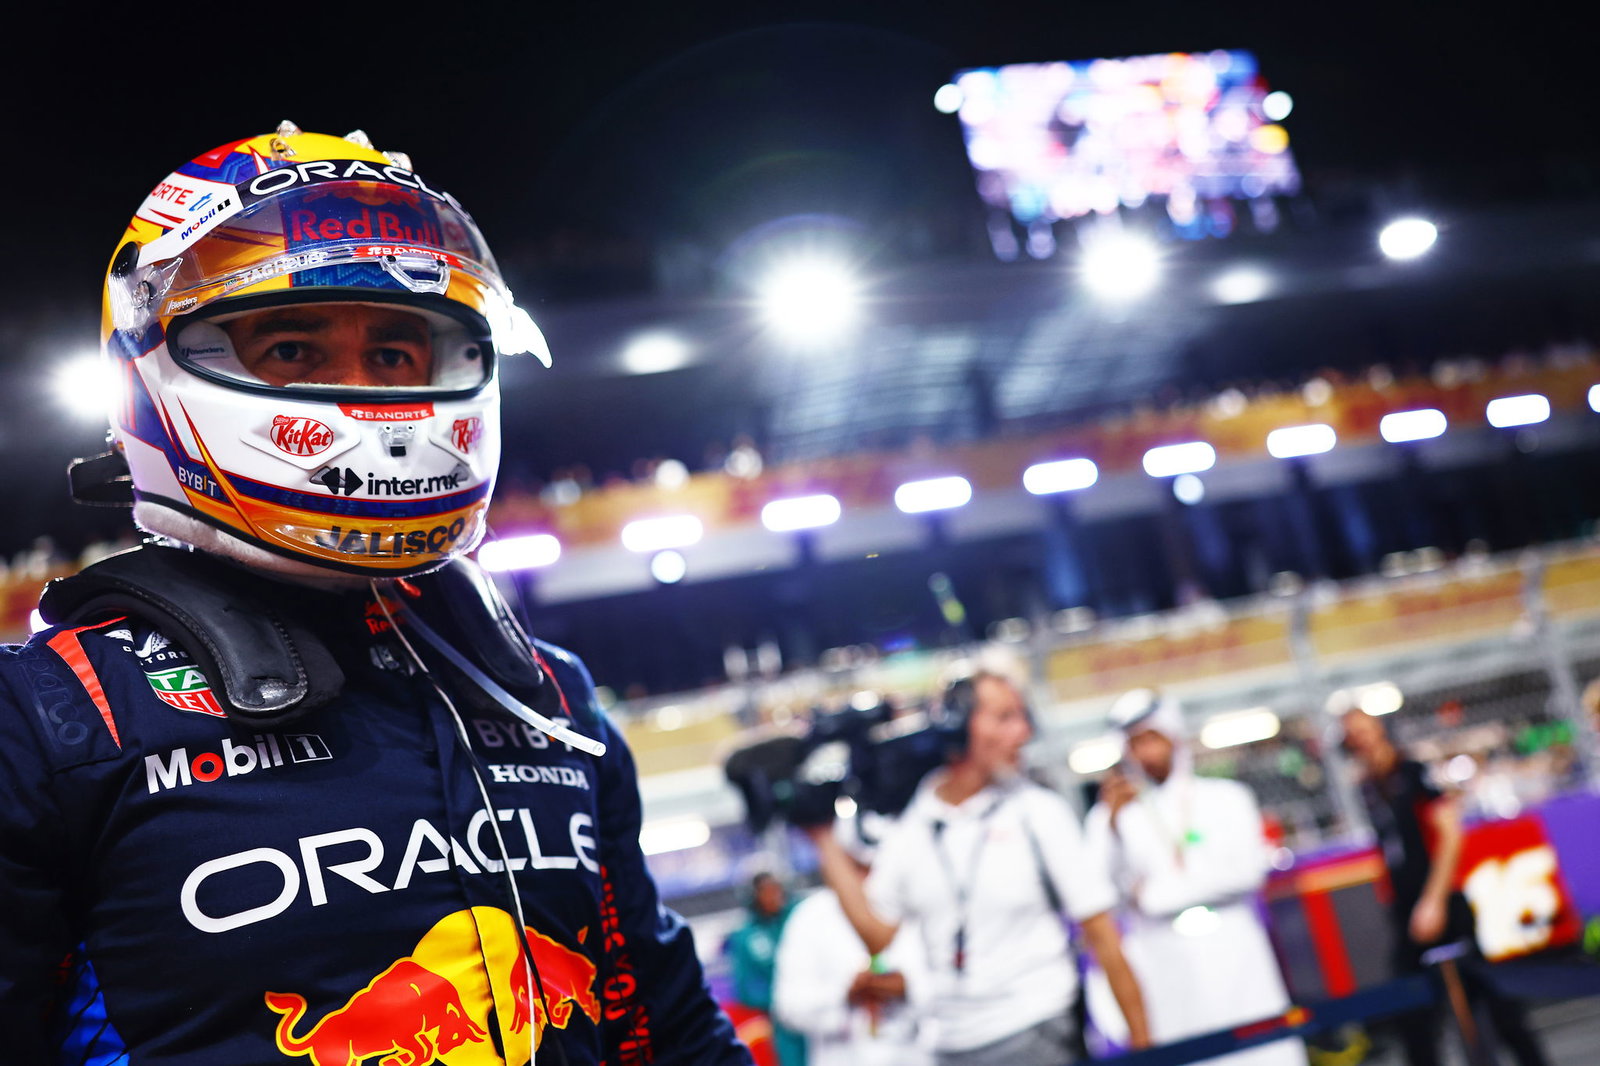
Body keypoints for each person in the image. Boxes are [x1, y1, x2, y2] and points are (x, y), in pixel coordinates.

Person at [0, 123, 752, 1066]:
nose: (363, 391)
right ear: (150, 370)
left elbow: (670, 1031)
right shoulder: (43, 721)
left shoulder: (550, 696)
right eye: (292, 347)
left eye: (395, 354)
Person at [807, 671, 1150, 1066]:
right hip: (949, 1045)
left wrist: (1145, 1048)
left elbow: (1104, 936)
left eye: (1021, 717)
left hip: (1041, 1031)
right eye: (1004, 717)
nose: (1022, 732)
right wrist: (823, 840)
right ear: (955, 729)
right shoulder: (913, 826)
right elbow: (878, 934)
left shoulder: (1038, 812)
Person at [1083, 689, 1306, 1066]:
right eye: (1135, 743)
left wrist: (1154, 897)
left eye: (1152, 738)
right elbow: (1097, 897)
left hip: (1235, 952)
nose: (1146, 753)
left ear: (1173, 737)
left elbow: (1245, 874)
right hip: (1164, 961)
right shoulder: (1109, 818)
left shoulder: (1226, 798)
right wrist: (1111, 827)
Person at [1339, 709, 1550, 1066]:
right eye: (1352, 734)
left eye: (1364, 730)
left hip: (1443, 904)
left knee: (1494, 1002)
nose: (1360, 740)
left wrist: (1433, 901)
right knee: (1413, 1014)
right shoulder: (1369, 787)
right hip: (1408, 909)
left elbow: (1451, 834)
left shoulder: (1413, 773)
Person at [773, 814, 935, 1066]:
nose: (864, 878)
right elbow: (789, 1008)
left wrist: (908, 987)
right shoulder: (809, 918)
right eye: (856, 866)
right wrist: (846, 994)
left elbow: (959, 985)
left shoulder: (917, 903)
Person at [726, 872, 806, 1066]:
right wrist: (781, 1000)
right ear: (753, 896)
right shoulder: (745, 936)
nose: (773, 894)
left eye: (776, 888)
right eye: (765, 890)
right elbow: (745, 987)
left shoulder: (801, 921)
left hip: (822, 1008)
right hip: (782, 1022)